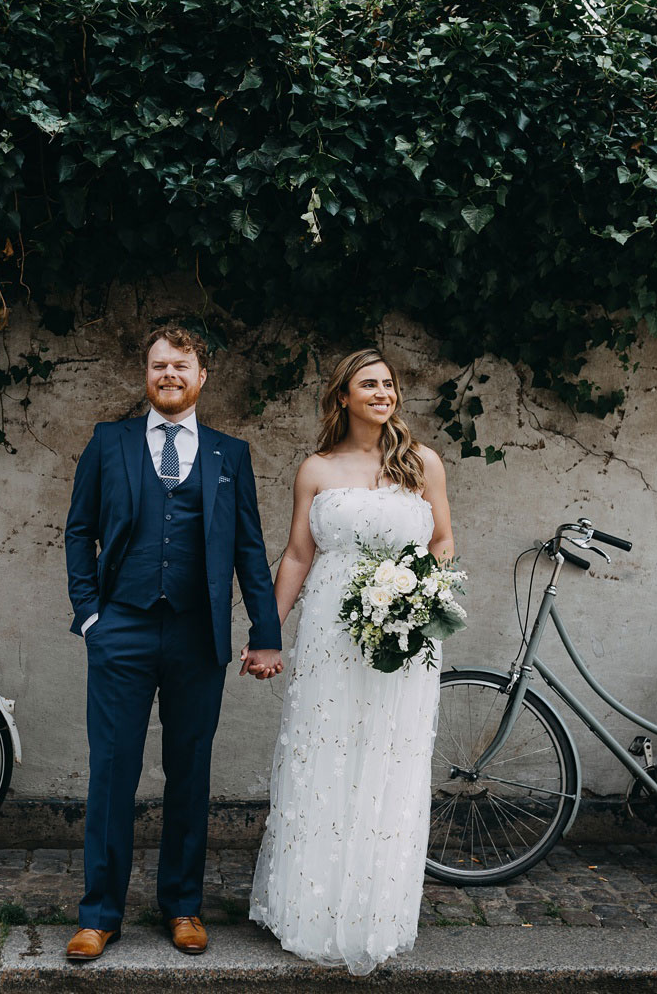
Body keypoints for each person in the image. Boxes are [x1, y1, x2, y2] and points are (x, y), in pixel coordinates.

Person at [63, 326, 284, 961]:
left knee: (189, 772)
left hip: (198, 635)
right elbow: (79, 531)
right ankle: (99, 914)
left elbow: (248, 548)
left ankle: (183, 906)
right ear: (147, 373)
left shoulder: (228, 455)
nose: (169, 375)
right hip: (122, 630)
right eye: (159, 365)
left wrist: (264, 633)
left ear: (201, 376)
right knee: (112, 771)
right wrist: (89, 615)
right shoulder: (110, 442)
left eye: (180, 366)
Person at [248, 348, 455, 975]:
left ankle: (375, 910)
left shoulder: (422, 464)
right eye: (369, 384)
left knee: (391, 762)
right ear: (343, 397)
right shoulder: (315, 469)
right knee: (326, 755)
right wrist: (267, 633)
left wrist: (420, 596)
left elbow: (442, 542)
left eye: (389, 384)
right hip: (332, 639)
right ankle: (310, 908)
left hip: (405, 641)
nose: (383, 393)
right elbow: (296, 557)